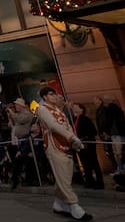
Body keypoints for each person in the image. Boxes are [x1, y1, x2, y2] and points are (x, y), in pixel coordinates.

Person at [35, 86, 91, 221]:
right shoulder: (42, 109)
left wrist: (73, 139)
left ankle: (59, 203)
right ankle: (74, 205)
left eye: (55, 94)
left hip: (66, 145)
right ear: (44, 97)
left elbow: (67, 126)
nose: (54, 96)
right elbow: (53, 125)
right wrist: (71, 137)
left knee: (65, 176)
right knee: (63, 177)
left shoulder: (58, 110)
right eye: (51, 94)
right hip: (54, 145)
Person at [68, 102, 104, 189]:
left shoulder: (86, 119)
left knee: (94, 162)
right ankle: (89, 181)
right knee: (85, 163)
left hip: (88, 143)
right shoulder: (75, 119)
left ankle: (99, 182)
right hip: (80, 144)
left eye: (76, 107)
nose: (74, 108)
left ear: (81, 109)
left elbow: (92, 131)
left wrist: (84, 139)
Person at [93, 94, 125, 173]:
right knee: (115, 152)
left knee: (118, 152)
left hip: (116, 133)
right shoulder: (104, 109)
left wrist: (105, 131)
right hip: (113, 133)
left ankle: (120, 169)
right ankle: (119, 169)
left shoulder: (110, 108)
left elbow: (107, 121)